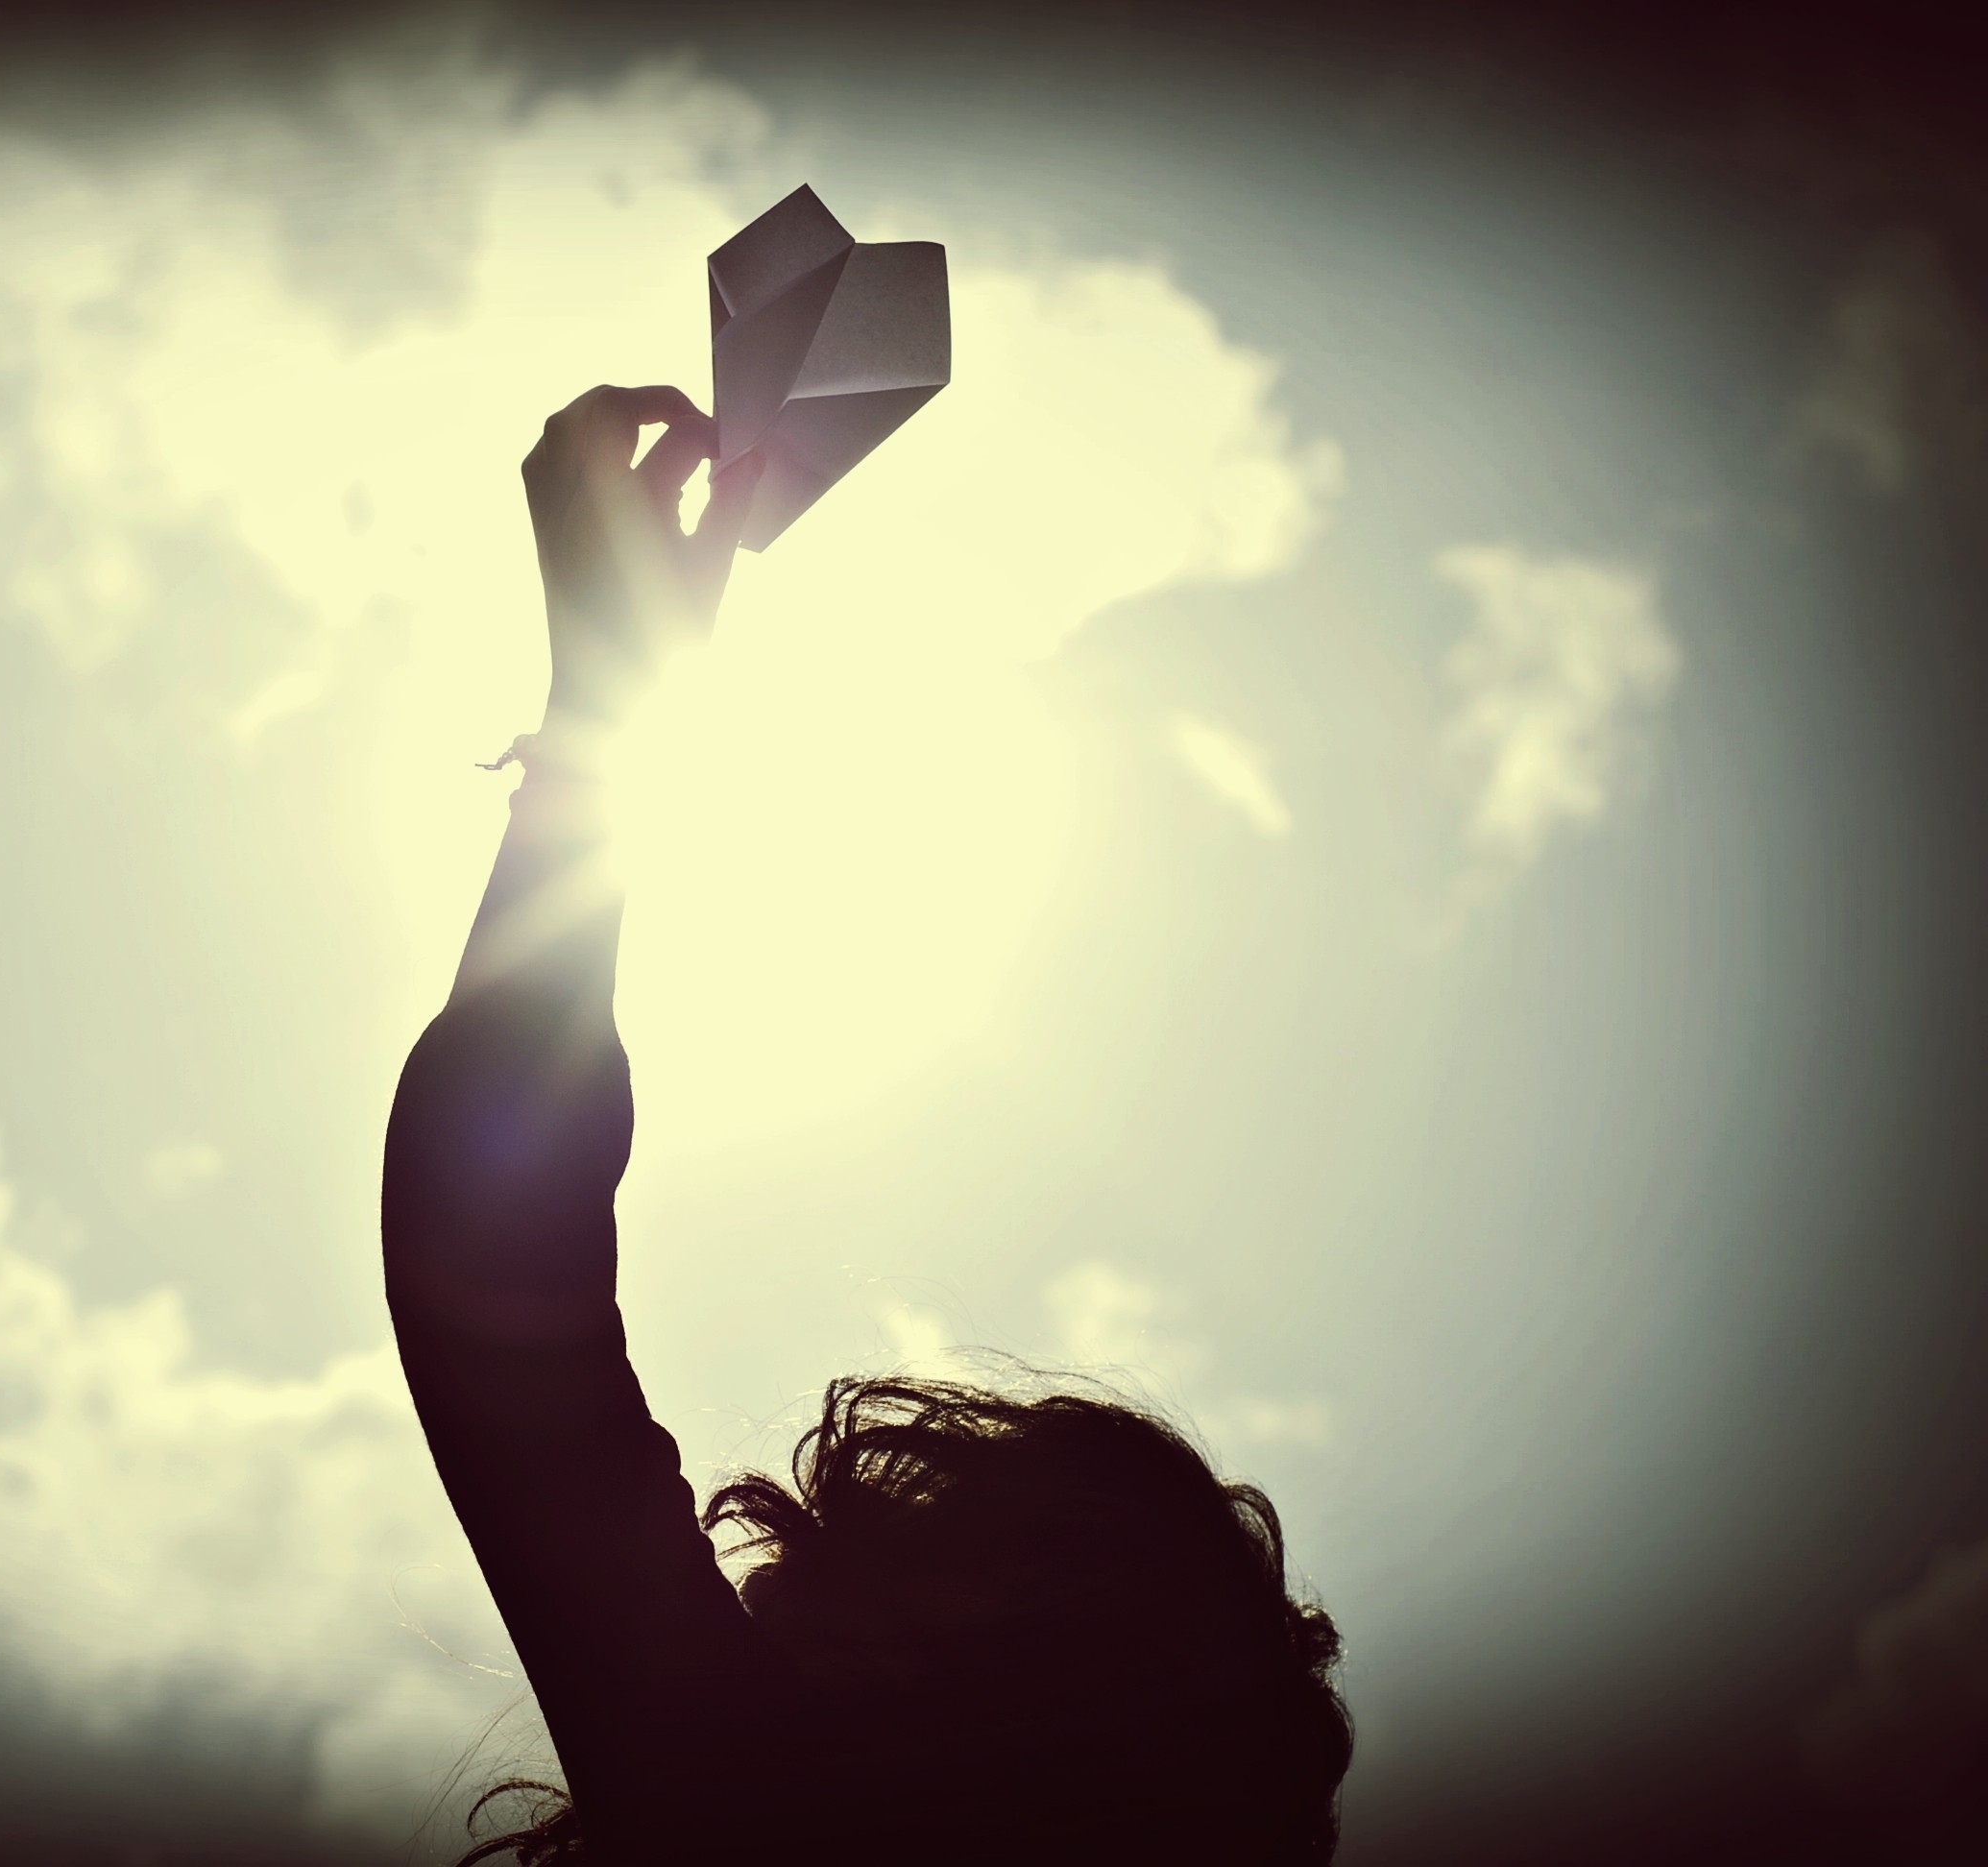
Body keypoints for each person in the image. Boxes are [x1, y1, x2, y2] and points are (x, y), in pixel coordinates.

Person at [382, 385, 1353, 1865]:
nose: (767, 1580)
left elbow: (491, 1248)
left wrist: (606, 705)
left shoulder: (764, 1812)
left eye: (894, 1576)